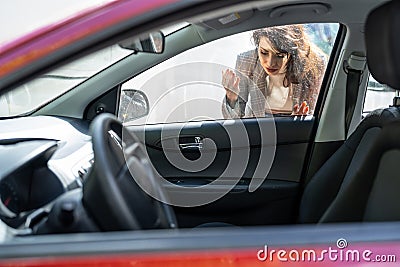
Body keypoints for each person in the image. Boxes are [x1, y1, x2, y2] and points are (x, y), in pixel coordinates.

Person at [221, 24, 327, 118]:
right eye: (264, 52)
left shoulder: (314, 63)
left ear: (292, 53)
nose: (270, 63)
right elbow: (233, 118)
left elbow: (319, 112)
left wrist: (301, 121)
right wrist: (231, 97)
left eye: (280, 56)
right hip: (259, 127)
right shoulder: (247, 60)